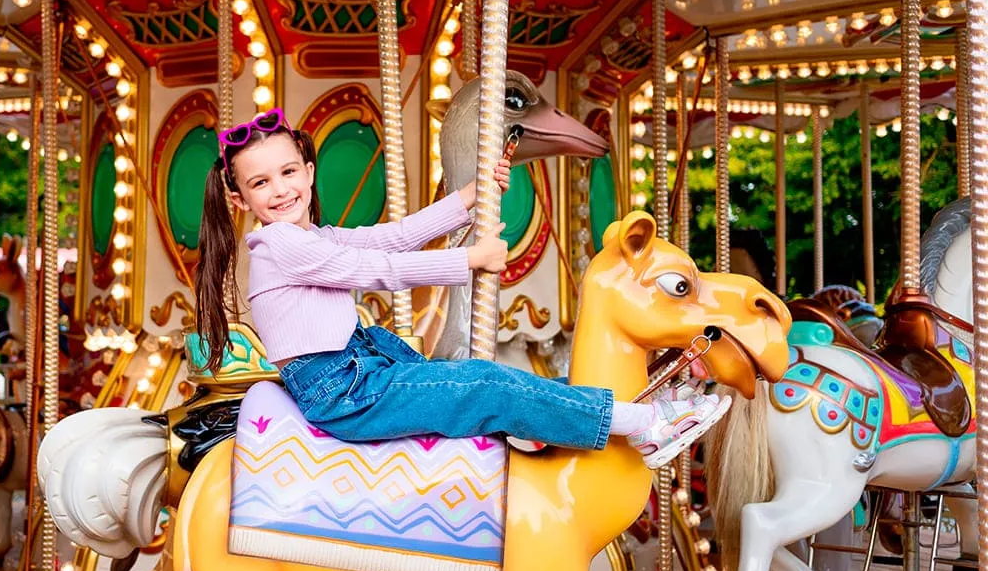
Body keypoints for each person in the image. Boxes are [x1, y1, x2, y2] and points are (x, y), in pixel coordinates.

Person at [193, 108, 729, 469]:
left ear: (309, 172)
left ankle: (612, 406)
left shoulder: (315, 236)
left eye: (288, 172)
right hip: (343, 391)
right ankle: (641, 423)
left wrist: (470, 196)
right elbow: (377, 271)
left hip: (366, 366)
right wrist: (469, 260)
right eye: (260, 183)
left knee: (488, 382)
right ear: (239, 199)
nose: (281, 189)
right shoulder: (278, 246)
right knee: (481, 382)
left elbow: (397, 236)